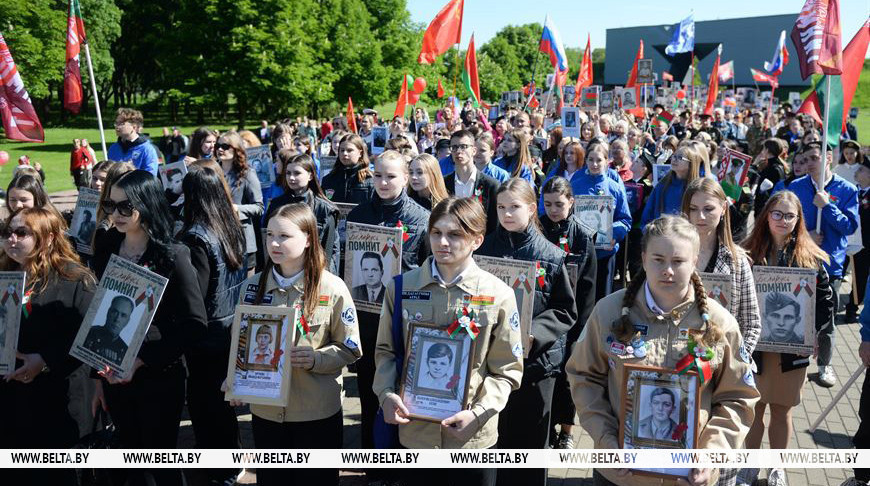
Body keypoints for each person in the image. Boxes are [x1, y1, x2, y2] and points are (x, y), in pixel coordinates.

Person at [567, 215, 760, 486]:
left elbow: (738, 397)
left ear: (694, 262)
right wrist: (607, 440)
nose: (667, 270)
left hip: (689, 477)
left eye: (678, 261)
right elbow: (584, 378)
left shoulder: (719, 324)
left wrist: (711, 454)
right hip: (620, 476)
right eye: (658, 259)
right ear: (644, 259)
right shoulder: (608, 312)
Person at [375, 197, 523, 486]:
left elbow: (507, 370)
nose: (443, 242)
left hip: (471, 439)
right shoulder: (401, 287)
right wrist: (386, 395)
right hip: (415, 435)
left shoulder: (499, 295)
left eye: (455, 234)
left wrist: (478, 414)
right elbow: (385, 351)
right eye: (436, 233)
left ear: (477, 240)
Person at [231, 203, 361, 486]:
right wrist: (236, 378)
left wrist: (316, 358)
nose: (274, 243)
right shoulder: (251, 287)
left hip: (316, 413)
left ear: (308, 239)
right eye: (270, 235)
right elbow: (240, 345)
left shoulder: (332, 288)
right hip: (266, 414)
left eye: (284, 236)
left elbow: (350, 348)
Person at [90, 170, 207, 486]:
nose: (116, 214)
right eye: (111, 205)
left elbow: (195, 324)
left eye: (125, 206)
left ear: (147, 204)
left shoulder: (173, 254)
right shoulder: (107, 246)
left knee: (159, 461)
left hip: (158, 377)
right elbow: (98, 311)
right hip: (113, 374)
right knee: (128, 457)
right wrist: (97, 379)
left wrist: (143, 360)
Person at [476, 179, 577, 486]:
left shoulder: (550, 254)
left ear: (532, 209)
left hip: (535, 365)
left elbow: (565, 310)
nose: (507, 214)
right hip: (490, 364)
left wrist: (535, 334)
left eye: (514, 207)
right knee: (494, 440)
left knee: (530, 444)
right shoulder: (484, 249)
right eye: (501, 207)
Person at [740, 190, 834, 485]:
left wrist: (813, 332)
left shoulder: (810, 258)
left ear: (798, 219)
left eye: (789, 215)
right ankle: (749, 465)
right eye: (777, 214)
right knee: (753, 410)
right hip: (754, 348)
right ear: (766, 215)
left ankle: (776, 467)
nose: (782, 220)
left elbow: (825, 301)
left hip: (792, 350)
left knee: (781, 412)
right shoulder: (747, 253)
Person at [346, 151, 430, 481]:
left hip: (407, 321)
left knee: (407, 396)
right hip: (368, 321)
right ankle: (375, 468)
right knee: (371, 394)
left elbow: (428, 268)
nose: (383, 182)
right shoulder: (359, 215)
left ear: (406, 178)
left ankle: (404, 467)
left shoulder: (421, 218)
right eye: (378, 175)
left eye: (391, 176)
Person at [0, 208, 96, 486]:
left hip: (59, 399)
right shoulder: (4, 275)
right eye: (7, 233)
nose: (11, 239)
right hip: (11, 401)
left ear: (49, 238)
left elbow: (89, 335)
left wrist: (44, 360)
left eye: (21, 233)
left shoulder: (75, 278)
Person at [178, 159, 248, 485]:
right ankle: (231, 461)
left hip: (206, 334)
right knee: (222, 404)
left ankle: (222, 470)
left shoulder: (196, 237)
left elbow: (196, 292)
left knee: (206, 405)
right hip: (230, 324)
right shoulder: (231, 224)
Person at [781, 141, 859, 387]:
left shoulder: (847, 189)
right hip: (799, 261)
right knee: (795, 314)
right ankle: (796, 362)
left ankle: (825, 365)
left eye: (815, 158)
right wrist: (805, 237)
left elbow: (849, 227)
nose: (809, 164)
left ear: (828, 157)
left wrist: (827, 206)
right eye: (805, 159)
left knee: (826, 321)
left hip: (830, 265)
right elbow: (784, 225)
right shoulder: (796, 187)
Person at [539, 176, 597, 449]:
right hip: (545, 315)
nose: (553, 210)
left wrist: (581, 328)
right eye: (548, 203)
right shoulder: (537, 228)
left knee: (567, 378)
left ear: (571, 202)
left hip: (573, 318)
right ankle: (547, 428)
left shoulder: (582, 236)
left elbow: (588, 287)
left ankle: (567, 431)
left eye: (559, 204)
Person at [682, 178, 762, 354]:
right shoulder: (673, 256)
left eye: (708, 209)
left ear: (723, 208)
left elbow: (751, 324)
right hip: (676, 358)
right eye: (693, 209)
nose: (700, 216)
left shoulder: (737, 261)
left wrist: (735, 361)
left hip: (722, 358)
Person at [572, 143, 632, 301]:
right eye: (590, 160)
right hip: (580, 251)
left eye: (599, 160)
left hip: (605, 252)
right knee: (581, 297)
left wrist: (613, 234)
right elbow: (568, 215)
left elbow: (625, 219)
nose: (594, 164)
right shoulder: (575, 185)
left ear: (606, 161)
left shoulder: (614, 188)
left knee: (603, 297)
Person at [266, 153, 341, 273]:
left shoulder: (325, 209)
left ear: (310, 175)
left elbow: (331, 250)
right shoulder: (276, 205)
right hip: (282, 271)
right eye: (288, 173)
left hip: (313, 271)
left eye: (297, 173)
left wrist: (325, 276)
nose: (291, 178)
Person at [217, 131, 264, 273]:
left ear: (236, 149)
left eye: (225, 146)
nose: (220, 149)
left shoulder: (247, 173)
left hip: (243, 242)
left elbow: (259, 207)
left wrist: (237, 208)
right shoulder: (213, 171)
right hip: (218, 239)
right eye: (218, 146)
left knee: (246, 285)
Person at [444, 130, 500, 234]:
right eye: (454, 147)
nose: (458, 151)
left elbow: (494, 224)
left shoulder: (491, 185)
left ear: (474, 151)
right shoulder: (444, 183)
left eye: (464, 146)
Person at [641, 142, 706, 227]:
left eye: (680, 157)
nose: (674, 159)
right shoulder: (662, 184)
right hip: (660, 232)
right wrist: (647, 229)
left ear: (691, 164)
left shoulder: (697, 188)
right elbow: (648, 212)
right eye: (674, 156)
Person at [321, 133, 375, 204]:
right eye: (342, 150)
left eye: (349, 150)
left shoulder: (370, 180)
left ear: (360, 153)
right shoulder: (328, 180)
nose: (345, 153)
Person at [82, 295, 134, 364]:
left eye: (123, 315)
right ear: (108, 312)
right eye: (114, 312)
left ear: (127, 321)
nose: (117, 319)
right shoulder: (88, 332)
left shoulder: (125, 351)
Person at [107, 108, 160, 175]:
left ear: (134, 126)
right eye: (116, 123)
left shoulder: (146, 149)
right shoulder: (113, 148)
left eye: (121, 123)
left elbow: (150, 176)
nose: (117, 126)